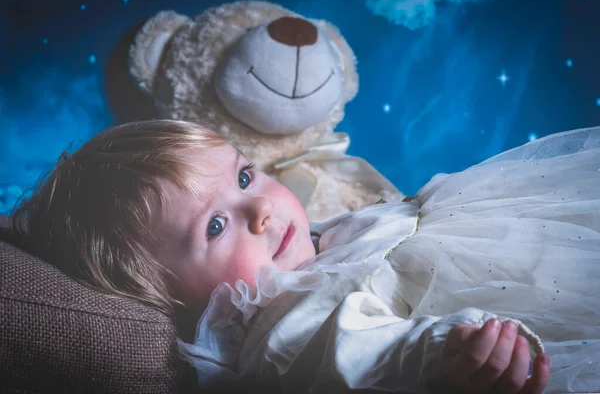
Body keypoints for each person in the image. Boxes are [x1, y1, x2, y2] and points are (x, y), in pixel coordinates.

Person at [15, 119, 598, 393]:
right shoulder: (279, 318)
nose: (260, 211)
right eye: (215, 226)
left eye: (244, 176)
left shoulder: (306, 248)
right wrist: (445, 350)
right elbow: (356, 352)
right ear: (168, 295)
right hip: (499, 320)